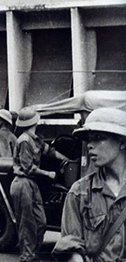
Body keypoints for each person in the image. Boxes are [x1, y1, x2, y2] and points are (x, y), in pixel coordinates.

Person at [53, 107, 126, 262]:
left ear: (122, 142)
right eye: (88, 139)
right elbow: (71, 248)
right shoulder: (80, 193)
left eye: (98, 137)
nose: (89, 145)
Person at [10, 106, 68, 262]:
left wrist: (65, 159)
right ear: (35, 121)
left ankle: (33, 255)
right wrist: (48, 174)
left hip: (31, 184)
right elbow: (28, 168)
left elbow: (49, 151)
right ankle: (27, 257)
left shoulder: (35, 138)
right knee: (27, 224)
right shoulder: (24, 140)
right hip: (23, 183)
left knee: (41, 223)